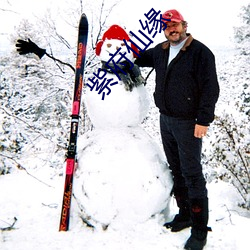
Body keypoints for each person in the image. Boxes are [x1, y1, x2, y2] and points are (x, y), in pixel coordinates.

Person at [134, 9, 219, 250]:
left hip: (189, 123)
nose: (172, 29)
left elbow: (210, 88)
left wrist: (204, 120)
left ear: (184, 24)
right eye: (167, 26)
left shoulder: (200, 52)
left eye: (175, 24)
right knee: (176, 169)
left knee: (192, 173)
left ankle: (200, 231)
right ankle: (185, 214)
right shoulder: (160, 51)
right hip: (166, 120)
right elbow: (137, 57)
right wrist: (115, 44)